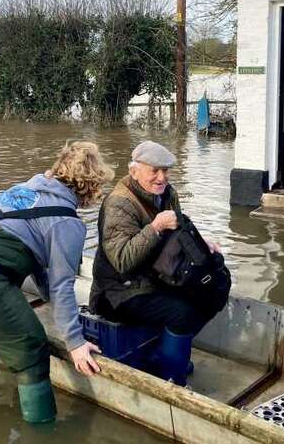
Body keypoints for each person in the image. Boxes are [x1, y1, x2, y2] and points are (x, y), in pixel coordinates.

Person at [0, 141, 114, 423]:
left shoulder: (27, 188)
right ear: (91, 185)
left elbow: (38, 265)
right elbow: (62, 285)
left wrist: (59, 308)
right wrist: (75, 341)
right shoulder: (67, 222)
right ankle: (43, 433)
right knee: (32, 350)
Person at [88, 140, 220, 386]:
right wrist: (155, 227)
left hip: (156, 277)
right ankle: (170, 376)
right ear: (134, 171)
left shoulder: (168, 193)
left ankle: (166, 353)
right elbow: (122, 261)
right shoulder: (119, 203)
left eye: (166, 171)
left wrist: (203, 244)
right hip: (118, 291)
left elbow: (180, 233)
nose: (162, 178)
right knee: (181, 313)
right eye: (154, 171)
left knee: (214, 287)